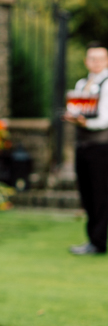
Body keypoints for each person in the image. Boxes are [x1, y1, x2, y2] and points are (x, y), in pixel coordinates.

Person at [64, 42, 108, 255]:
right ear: (86, 61)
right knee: (87, 194)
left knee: (100, 194)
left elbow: (104, 119)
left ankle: (98, 241)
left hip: (102, 147)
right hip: (83, 146)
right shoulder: (82, 84)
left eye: (100, 59)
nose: (96, 63)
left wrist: (85, 123)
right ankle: (93, 238)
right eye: (92, 59)